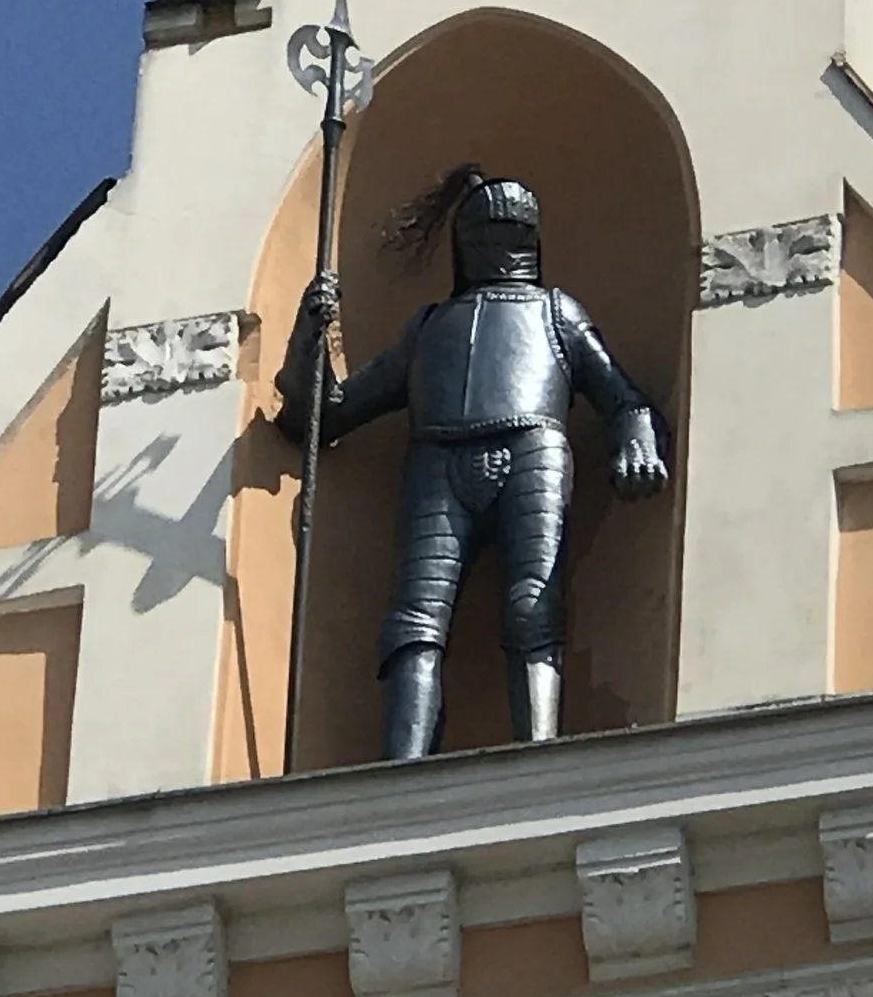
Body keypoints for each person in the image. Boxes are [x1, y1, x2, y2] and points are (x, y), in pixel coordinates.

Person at [277, 169, 669, 758]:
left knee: (533, 604)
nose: (497, 242)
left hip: (533, 454)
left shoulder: (557, 313)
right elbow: (326, 415)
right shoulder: (429, 327)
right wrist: (309, 340)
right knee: (416, 623)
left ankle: (537, 754)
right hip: (437, 462)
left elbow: (623, 396)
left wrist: (637, 440)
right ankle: (404, 765)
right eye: (487, 230)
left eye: (507, 231)